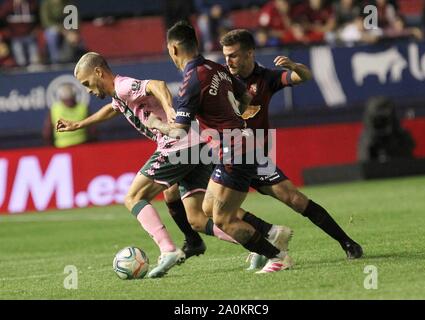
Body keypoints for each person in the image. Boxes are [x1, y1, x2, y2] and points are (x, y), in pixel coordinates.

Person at [58, 52, 291, 276]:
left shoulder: (123, 86)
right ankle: (258, 244)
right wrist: (79, 125)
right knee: (198, 219)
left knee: (133, 197)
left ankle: (167, 250)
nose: (88, 90)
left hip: (178, 145)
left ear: (98, 72)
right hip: (195, 145)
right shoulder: (118, 97)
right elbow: (112, 109)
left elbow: (157, 85)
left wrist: (169, 109)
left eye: (88, 83)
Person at [153, 21, 295, 273]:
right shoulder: (216, 67)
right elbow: (246, 97)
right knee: (207, 208)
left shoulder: (190, 81)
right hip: (239, 144)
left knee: (222, 219)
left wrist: (158, 124)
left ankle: (276, 255)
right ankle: (271, 232)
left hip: (234, 151)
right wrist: (233, 118)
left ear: (174, 49)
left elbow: (179, 131)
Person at [218, 29, 363, 268]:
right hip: (225, 157)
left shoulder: (267, 78)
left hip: (255, 158)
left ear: (249, 53)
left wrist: (294, 66)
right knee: (218, 210)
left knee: (295, 199)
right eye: (225, 55)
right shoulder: (221, 79)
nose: (228, 60)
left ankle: (347, 242)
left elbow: (304, 77)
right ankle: (263, 243)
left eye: (233, 55)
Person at [42, 83, 93, 148]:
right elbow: (92, 131)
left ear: (61, 98)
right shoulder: (83, 108)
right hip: (81, 146)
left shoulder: (54, 109)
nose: (69, 102)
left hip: (63, 147)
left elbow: (47, 133)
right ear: (74, 96)